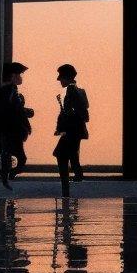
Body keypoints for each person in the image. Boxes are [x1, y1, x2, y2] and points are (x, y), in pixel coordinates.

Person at [0, 61, 33, 189]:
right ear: (13, 76)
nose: (21, 78)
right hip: (12, 130)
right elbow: (14, 109)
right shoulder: (10, 91)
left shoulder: (8, 91)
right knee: (17, 157)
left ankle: (7, 180)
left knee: (13, 155)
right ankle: (7, 180)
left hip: (10, 130)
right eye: (19, 75)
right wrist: (25, 113)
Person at [52, 63, 91, 193]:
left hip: (71, 130)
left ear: (67, 78)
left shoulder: (71, 91)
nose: (59, 80)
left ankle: (66, 188)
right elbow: (84, 112)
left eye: (61, 77)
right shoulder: (79, 90)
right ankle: (75, 179)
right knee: (72, 155)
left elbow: (69, 113)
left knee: (60, 154)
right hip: (76, 130)